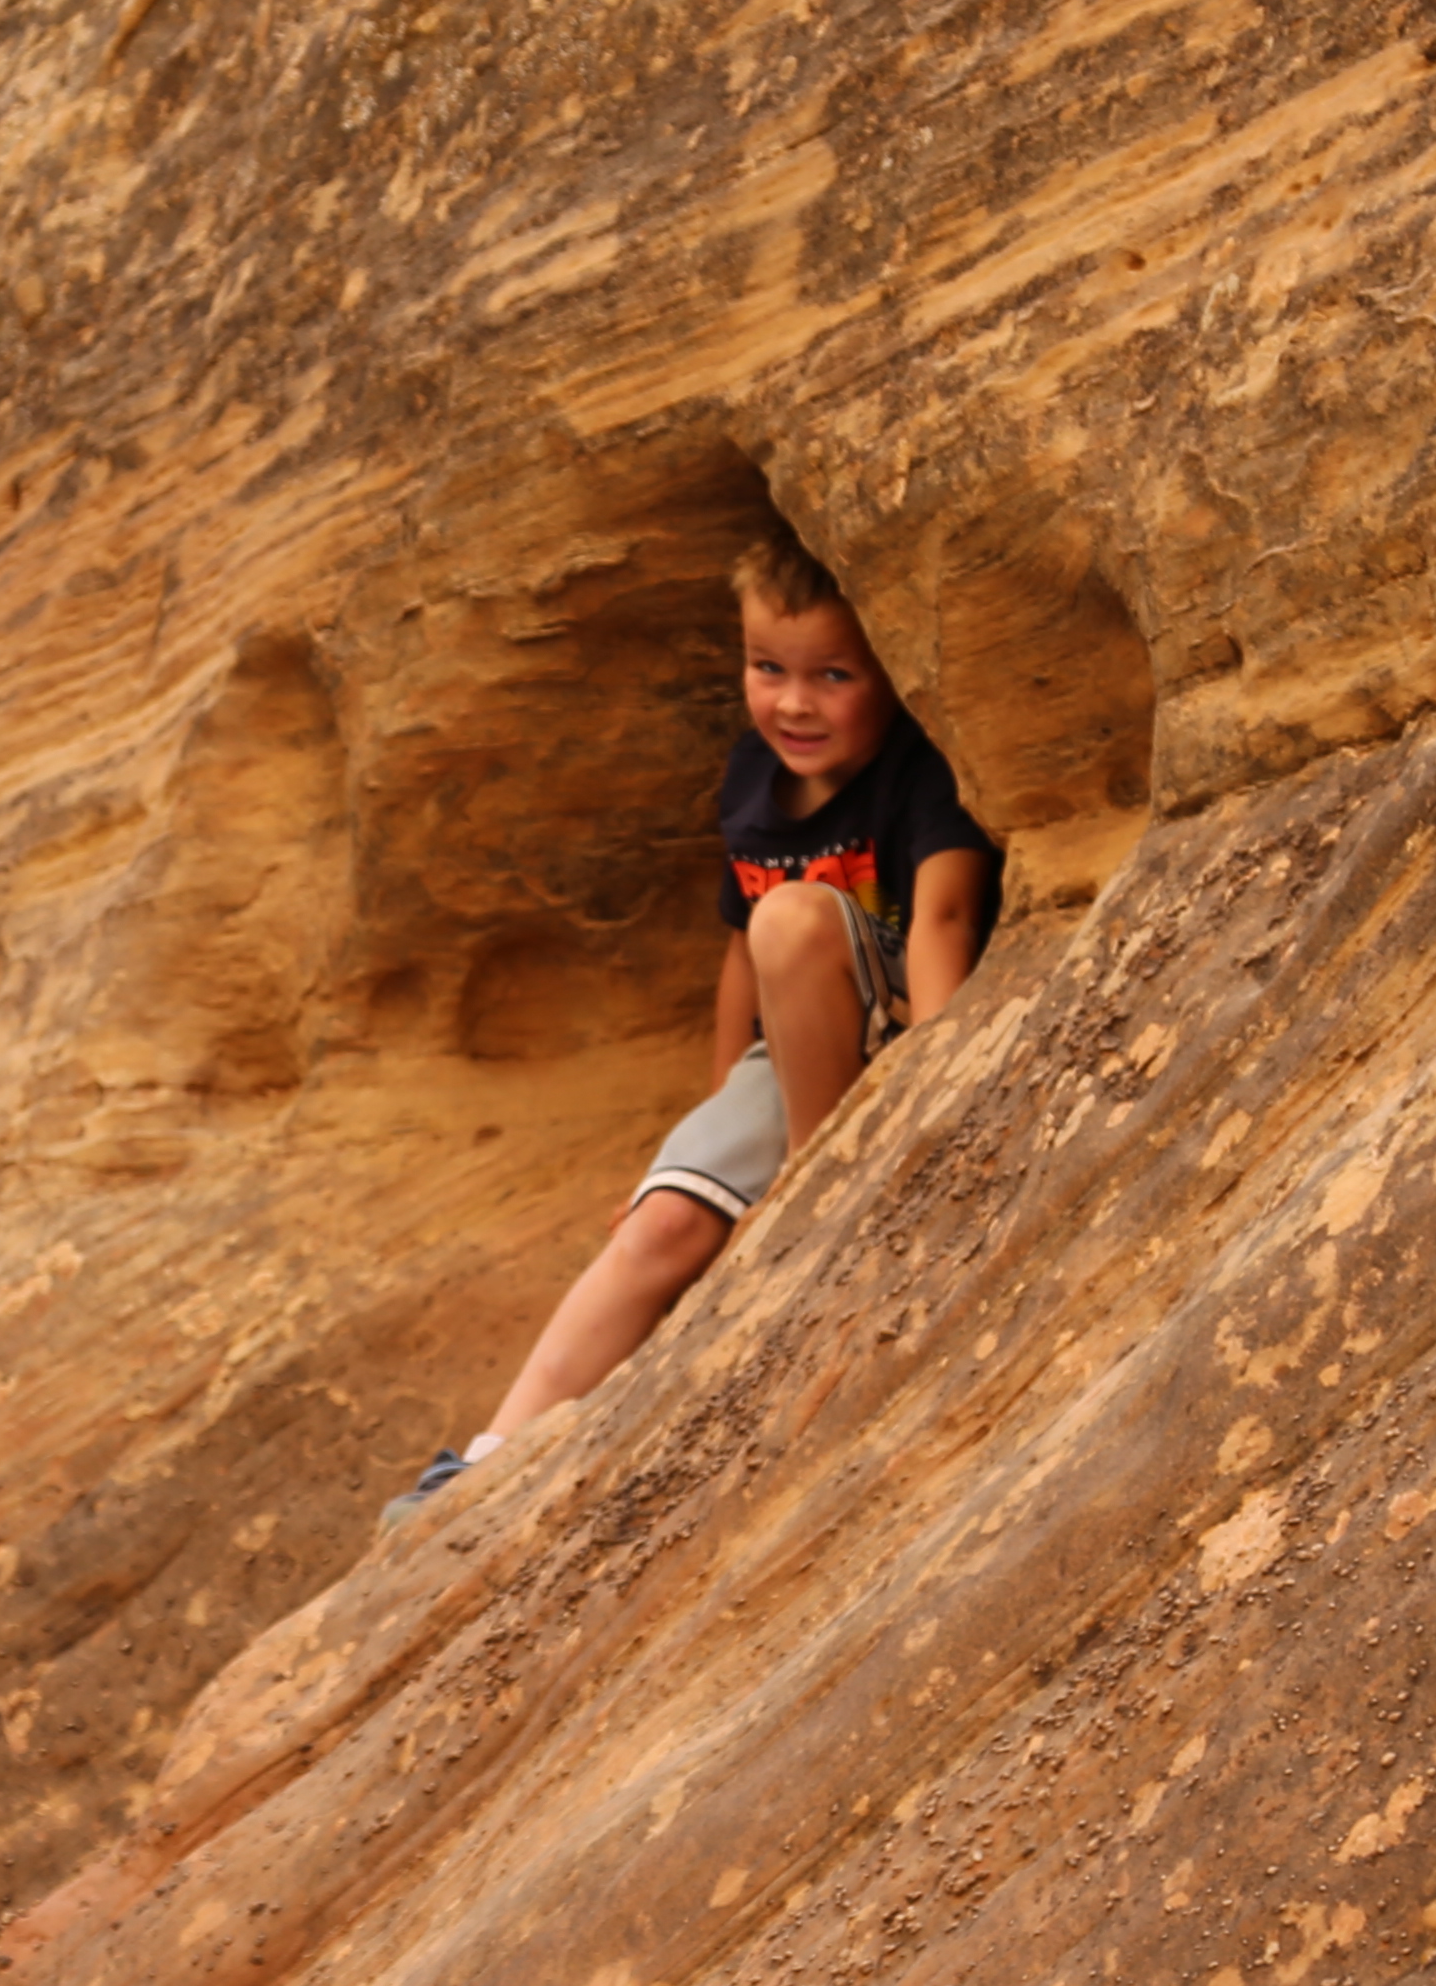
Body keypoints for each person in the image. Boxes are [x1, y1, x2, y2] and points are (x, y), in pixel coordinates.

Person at [391, 535, 997, 1521]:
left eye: (832, 676)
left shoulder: (917, 774)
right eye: (768, 670)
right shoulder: (751, 781)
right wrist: (714, 1115)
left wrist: (942, 1067)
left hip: (896, 1017)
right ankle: (484, 1463)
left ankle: (808, 1186)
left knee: (795, 917)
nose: (793, 703)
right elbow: (738, 960)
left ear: (893, 668)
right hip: (794, 1052)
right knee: (660, 1222)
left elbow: (943, 917)